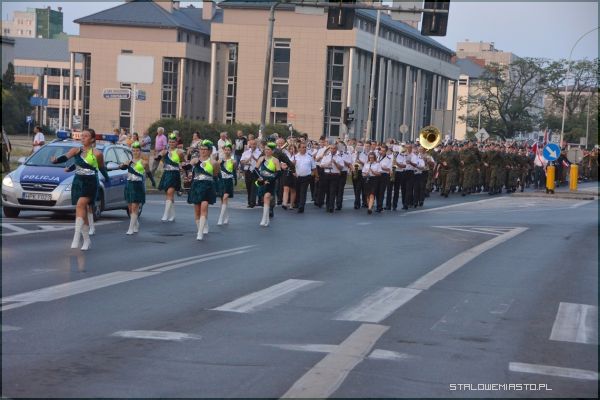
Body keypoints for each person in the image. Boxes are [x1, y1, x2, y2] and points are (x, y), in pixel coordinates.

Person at [51, 129, 109, 250]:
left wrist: (108, 178)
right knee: (83, 212)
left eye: (86, 136)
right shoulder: (75, 150)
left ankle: (76, 237)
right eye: (82, 136)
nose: (83, 138)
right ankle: (87, 240)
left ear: (92, 139)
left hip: (90, 182)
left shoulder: (97, 154)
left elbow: (101, 168)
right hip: (78, 182)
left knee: (80, 205)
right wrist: (56, 160)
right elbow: (65, 158)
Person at [188, 140, 219, 240]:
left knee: (204, 207)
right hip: (196, 186)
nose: (203, 151)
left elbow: (215, 175)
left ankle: (200, 233)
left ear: (210, 151)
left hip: (208, 186)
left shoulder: (214, 163)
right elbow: (188, 168)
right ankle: (201, 227)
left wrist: (216, 190)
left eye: (205, 149)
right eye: (201, 149)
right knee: (197, 210)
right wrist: (187, 171)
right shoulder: (195, 160)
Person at [120, 141, 149, 235]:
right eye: (134, 150)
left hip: (138, 185)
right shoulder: (128, 161)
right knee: (130, 208)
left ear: (140, 151)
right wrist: (122, 165)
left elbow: (145, 169)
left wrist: (131, 162)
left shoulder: (143, 162)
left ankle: (130, 228)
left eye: (137, 150)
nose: (135, 152)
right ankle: (136, 223)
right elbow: (122, 167)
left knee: (135, 206)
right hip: (129, 184)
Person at [156, 133, 186, 222]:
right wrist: (159, 156)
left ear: (176, 143)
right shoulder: (165, 151)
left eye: (173, 142)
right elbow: (160, 158)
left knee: (170, 192)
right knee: (169, 194)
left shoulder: (179, 152)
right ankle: (172, 215)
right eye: (170, 142)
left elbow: (183, 162)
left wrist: (182, 168)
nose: (171, 143)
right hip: (167, 174)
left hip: (175, 174)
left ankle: (165, 214)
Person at [255, 142, 281, 226]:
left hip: (271, 182)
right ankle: (267, 219)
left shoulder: (275, 160)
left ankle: (264, 219)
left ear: (272, 151)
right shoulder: (261, 158)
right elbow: (255, 170)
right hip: (262, 181)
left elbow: (278, 173)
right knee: (264, 199)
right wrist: (261, 179)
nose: (266, 151)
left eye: (268, 149)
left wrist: (271, 180)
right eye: (265, 149)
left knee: (267, 197)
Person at [318, 143, 345, 213]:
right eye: (331, 148)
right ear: (330, 149)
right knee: (327, 191)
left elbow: (341, 168)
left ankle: (331, 206)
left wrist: (335, 163)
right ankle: (328, 205)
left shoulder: (339, 157)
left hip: (335, 175)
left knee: (332, 191)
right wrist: (327, 165)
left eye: (334, 149)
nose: (333, 150)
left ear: (336, 149)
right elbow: (321, 165)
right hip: (326, 175)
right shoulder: (326, 156)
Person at [292, 141, 316, 213]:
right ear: (299, 148)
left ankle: (301, 206)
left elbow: (314, 167)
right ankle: (297, 203)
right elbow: (289, 166)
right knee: (298, 191)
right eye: (303, 147)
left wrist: (313, 174)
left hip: (306, 177)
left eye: (305, 147)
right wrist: (293, 164)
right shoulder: (295, 156)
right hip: (297, 177)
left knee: (303, 192)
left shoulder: (309, 157)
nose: (304, 149)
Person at [217, 143, 236, 225]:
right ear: (224, 151)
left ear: (231, 151)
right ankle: (226, 217)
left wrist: (235, 181)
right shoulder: (220, 160)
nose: (227, 151)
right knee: (222, 200)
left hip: (229, 181)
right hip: (221, 181)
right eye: (226, 150)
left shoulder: (233, 161)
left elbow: (234, 171)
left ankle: (220, 218)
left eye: (229, 150)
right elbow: (217, 171)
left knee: (225, 198)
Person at [240, 139, 261, 208]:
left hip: (255, 171)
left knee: (254, 187)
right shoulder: (246, 153)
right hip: (248, 171)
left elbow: (261, 162)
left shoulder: (259, 153)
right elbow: (242, 161)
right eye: (251, 144)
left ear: (256, 145)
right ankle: (249, 202)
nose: (253, 145)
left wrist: (254, 158)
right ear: (249, 145)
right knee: (248, 187)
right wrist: (248, 160)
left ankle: (253, 202)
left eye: (254, 144)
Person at [281, 143, 297, 210]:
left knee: (293, 189)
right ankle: (284, 203)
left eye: (293, 149)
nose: (291, 150)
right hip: (286, 173)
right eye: (290, 149)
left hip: (294, 173)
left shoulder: (297, 156)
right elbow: (283, 165)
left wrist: (293, 163)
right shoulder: (286, 156)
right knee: (286, 188)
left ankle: (291, 204)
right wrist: (289, 164)